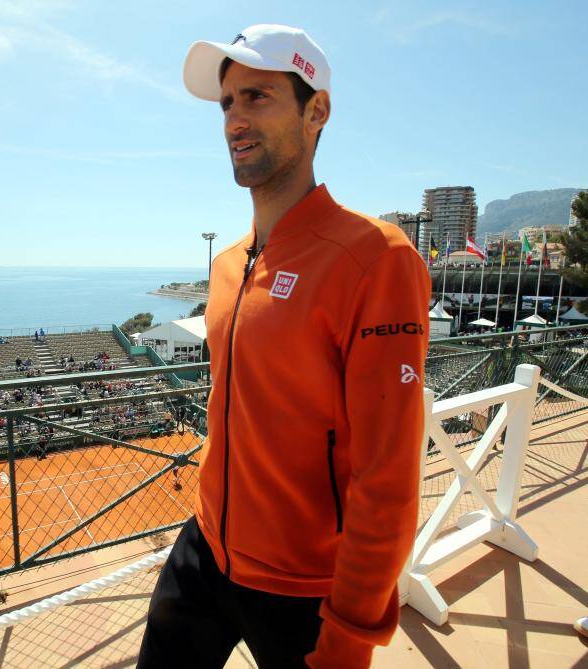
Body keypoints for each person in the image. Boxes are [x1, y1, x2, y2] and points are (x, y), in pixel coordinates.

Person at [138, 25, 431, 669]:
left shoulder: (375, 258)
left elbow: (388, 476)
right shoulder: (227, 265)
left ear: (316, 111)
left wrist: (351, 637)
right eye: (227, 103)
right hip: (206, 549)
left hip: (304, 588)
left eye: (258, 97)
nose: (235, 119)